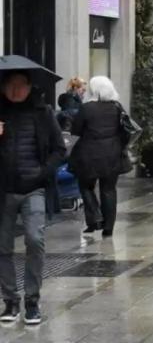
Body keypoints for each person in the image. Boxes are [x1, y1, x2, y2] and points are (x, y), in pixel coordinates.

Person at [0, 72, 66, 325]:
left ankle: (32, 299)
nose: (15, 90)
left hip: (34, 189)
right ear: (4, 87)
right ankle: (10, 300)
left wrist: (42, 172)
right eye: (10, 85)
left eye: (21, 85)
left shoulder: (43, 112)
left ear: (29, 87)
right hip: (4, 191)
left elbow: (60, 149)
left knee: (35, 239)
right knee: (3, 247)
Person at [69, 76, 127, 236]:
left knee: (85, 186)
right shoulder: (117, 107)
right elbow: (126, 130)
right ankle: (108, 227)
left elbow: (76, 131)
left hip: (89, 155)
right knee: (109, 190)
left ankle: (95, 218)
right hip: (112, 154)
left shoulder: (86, 108)